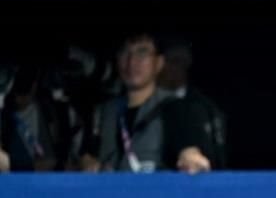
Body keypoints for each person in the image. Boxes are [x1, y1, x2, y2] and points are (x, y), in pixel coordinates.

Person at [80, 32, 214, 174]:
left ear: (159, 62)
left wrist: (190, 157)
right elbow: (84, 155)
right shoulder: (102, 112)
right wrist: (87, 162)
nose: (131, 62)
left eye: (142, 53)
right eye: (125, 52)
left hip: (155, 193)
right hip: (108, 193)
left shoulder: (178, 108)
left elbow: (190, 148)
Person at [156, 36, 228, 170]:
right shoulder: (149, 105)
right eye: (169, 61)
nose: (172, 68)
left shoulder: (204, 105)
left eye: (179, 61)